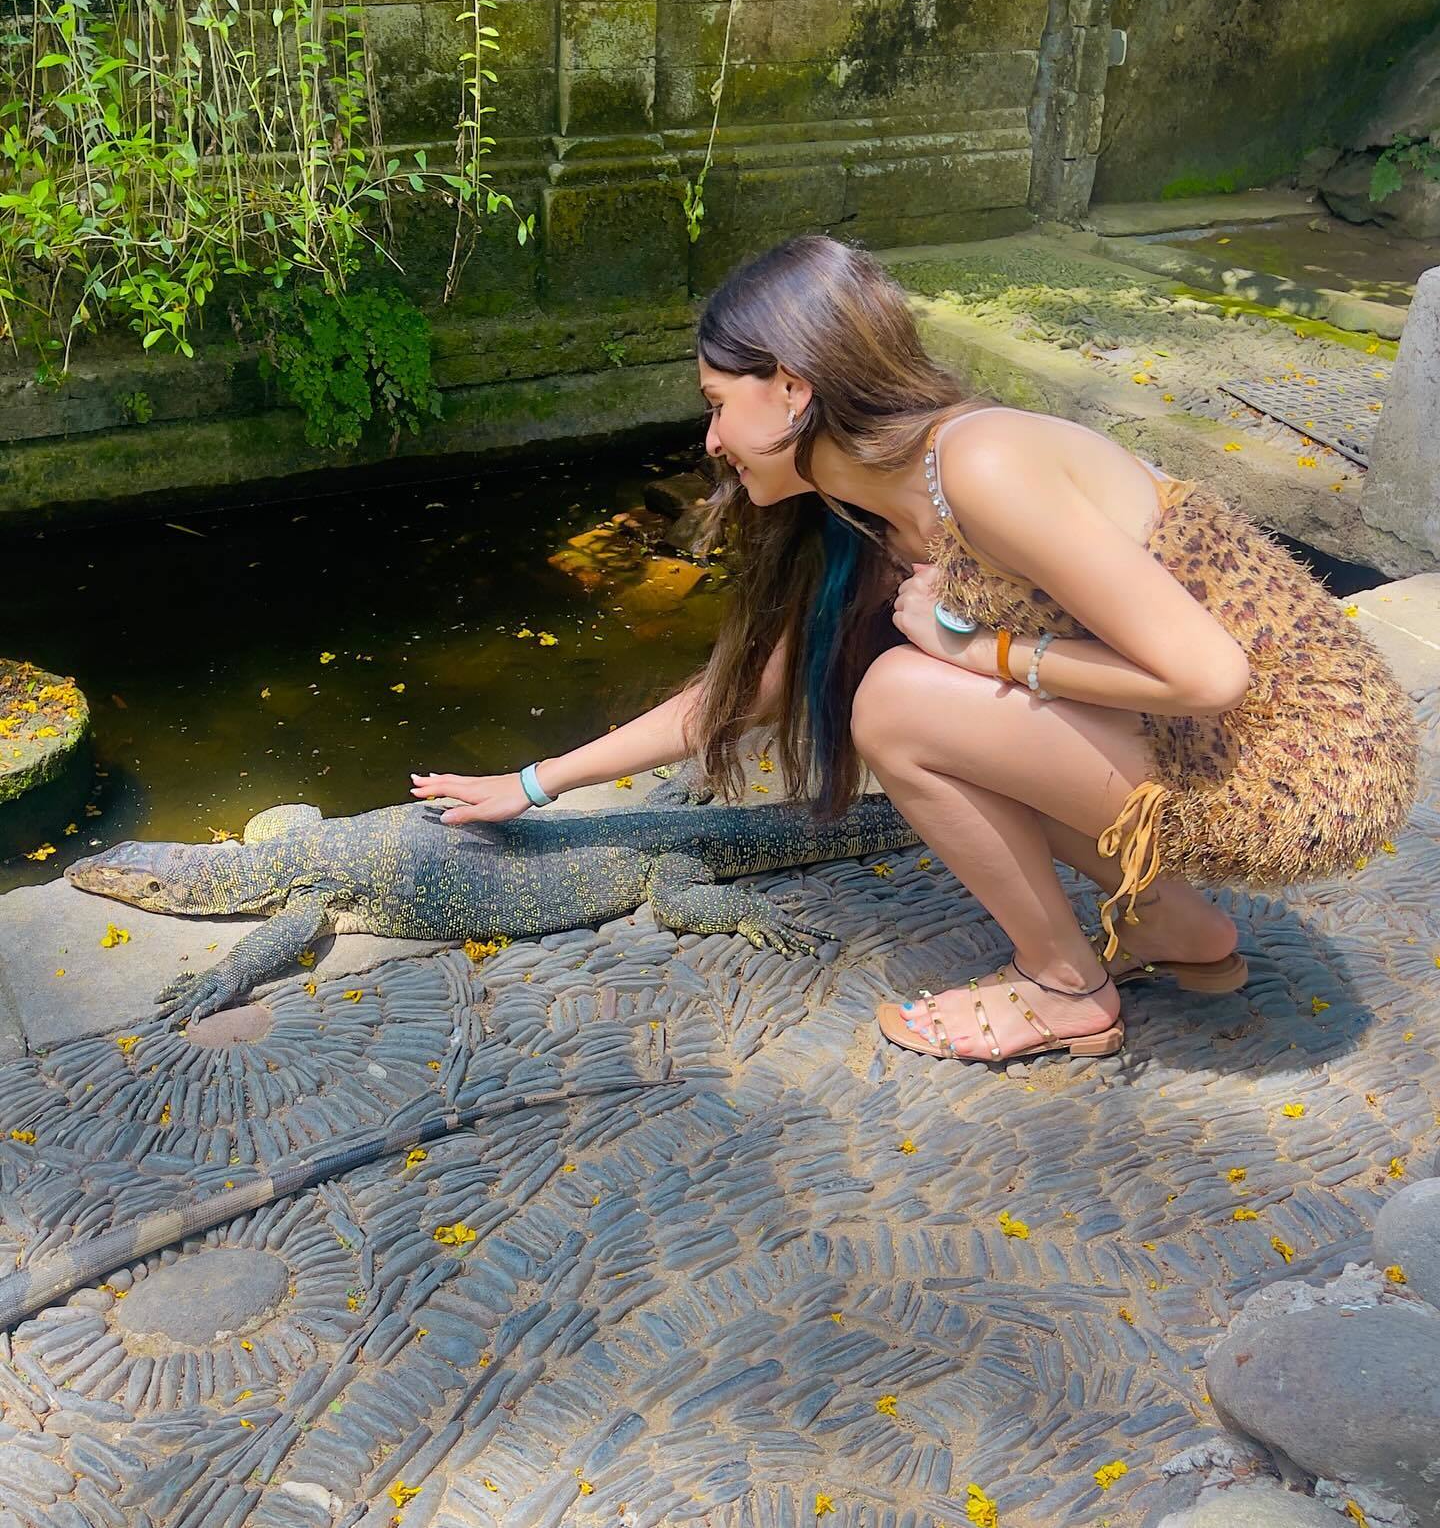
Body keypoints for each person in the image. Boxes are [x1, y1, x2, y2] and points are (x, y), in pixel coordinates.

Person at [411, 236, 1419, 1065]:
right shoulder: (873, 504)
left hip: (1308, 764)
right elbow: (754, 689)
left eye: (718, 402)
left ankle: (1065, 989)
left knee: (901, 700)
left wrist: (990, 657)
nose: (710, 440)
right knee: (919, 685)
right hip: (1221, 741)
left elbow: (1211, 674)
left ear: (792, 389)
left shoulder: (979, 462)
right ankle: (1175, 926)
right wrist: (536, 784)